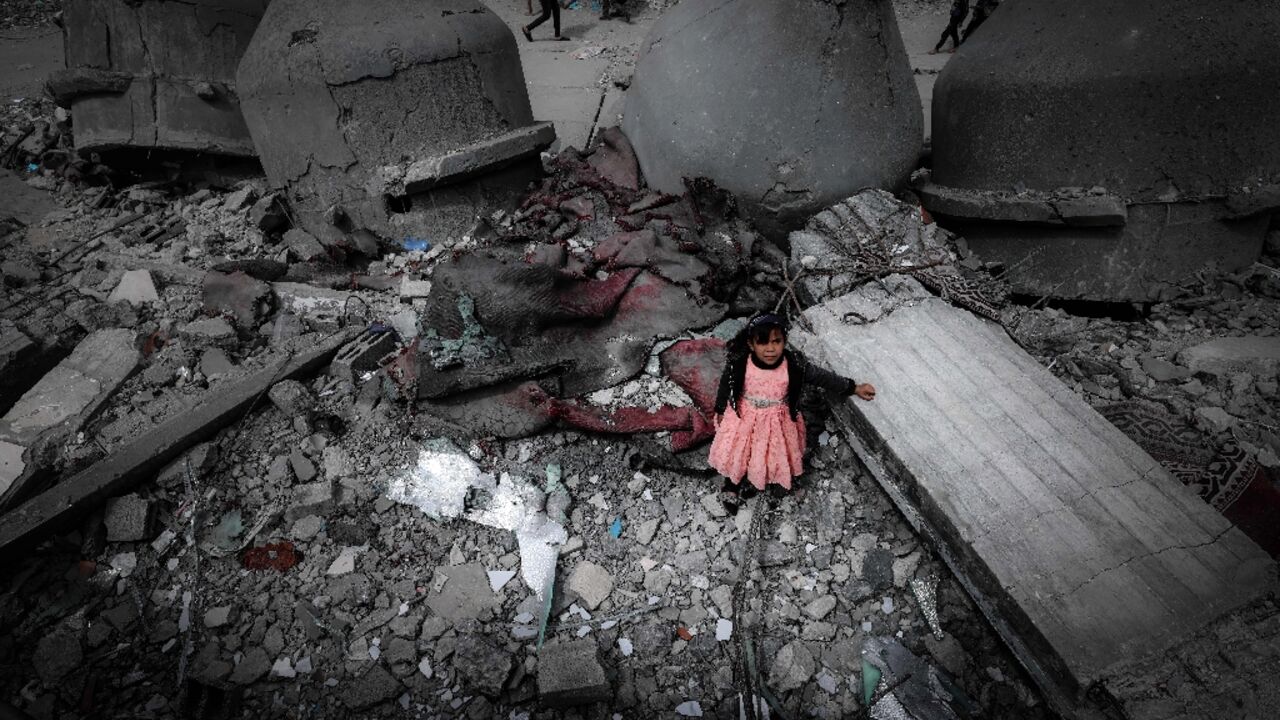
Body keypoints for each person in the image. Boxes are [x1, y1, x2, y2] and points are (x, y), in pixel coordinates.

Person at [709, 314, 876, 515]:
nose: (770, 349)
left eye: (776, 341)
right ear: (751, 345)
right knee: (739, 451)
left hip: (776, 422)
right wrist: (719, 409)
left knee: (770, 453)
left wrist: (852, 387)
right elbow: (725, 386)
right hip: (744, 419)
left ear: (784, 342)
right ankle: (732, 484)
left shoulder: (794, 366)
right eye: (762, 343)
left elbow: (822, 377)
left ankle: (761, 479)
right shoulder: (740, 363)